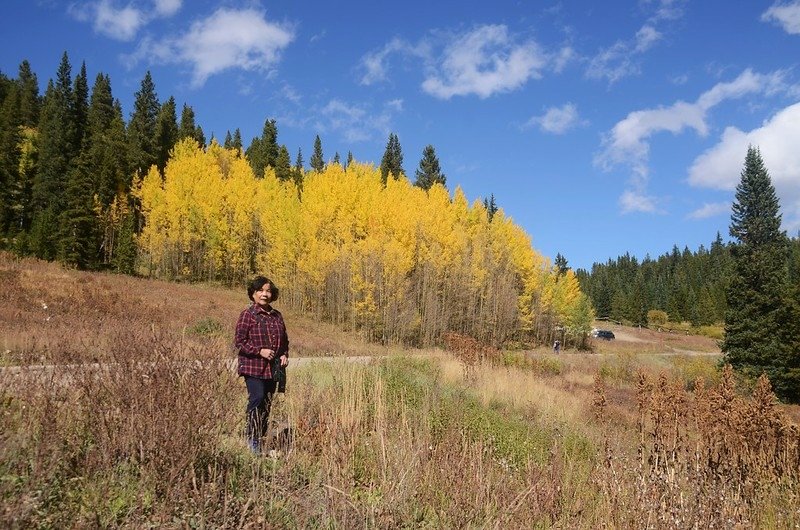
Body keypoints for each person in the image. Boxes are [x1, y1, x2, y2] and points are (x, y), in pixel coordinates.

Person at [234, 276, 289, 453]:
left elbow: (285, 341)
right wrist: (260, 351)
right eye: (260, 291)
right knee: (256, 398)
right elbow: (240, 341)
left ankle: (259, 436)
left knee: (266, 403)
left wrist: (284, 355)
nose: (264, 294)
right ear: (253, 294)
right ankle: (251, 440)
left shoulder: (276, 316)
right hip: (253, 366)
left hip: (272, 369)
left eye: (268, 291)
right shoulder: (248, 315)